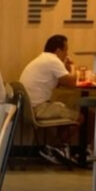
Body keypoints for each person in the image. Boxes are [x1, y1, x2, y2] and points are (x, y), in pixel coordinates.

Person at [19, 34, 81, 164]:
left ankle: (56, 149)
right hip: (39, 109)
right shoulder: (53, 60)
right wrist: (74, 67)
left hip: (28, 108)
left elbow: (59, 82)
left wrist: (65, 68)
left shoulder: (43, 59)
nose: (66, 54)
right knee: (80, 117)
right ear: (58, 51)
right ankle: (56, 148)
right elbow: (72, 82)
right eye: (66, 51)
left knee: (62, 108)